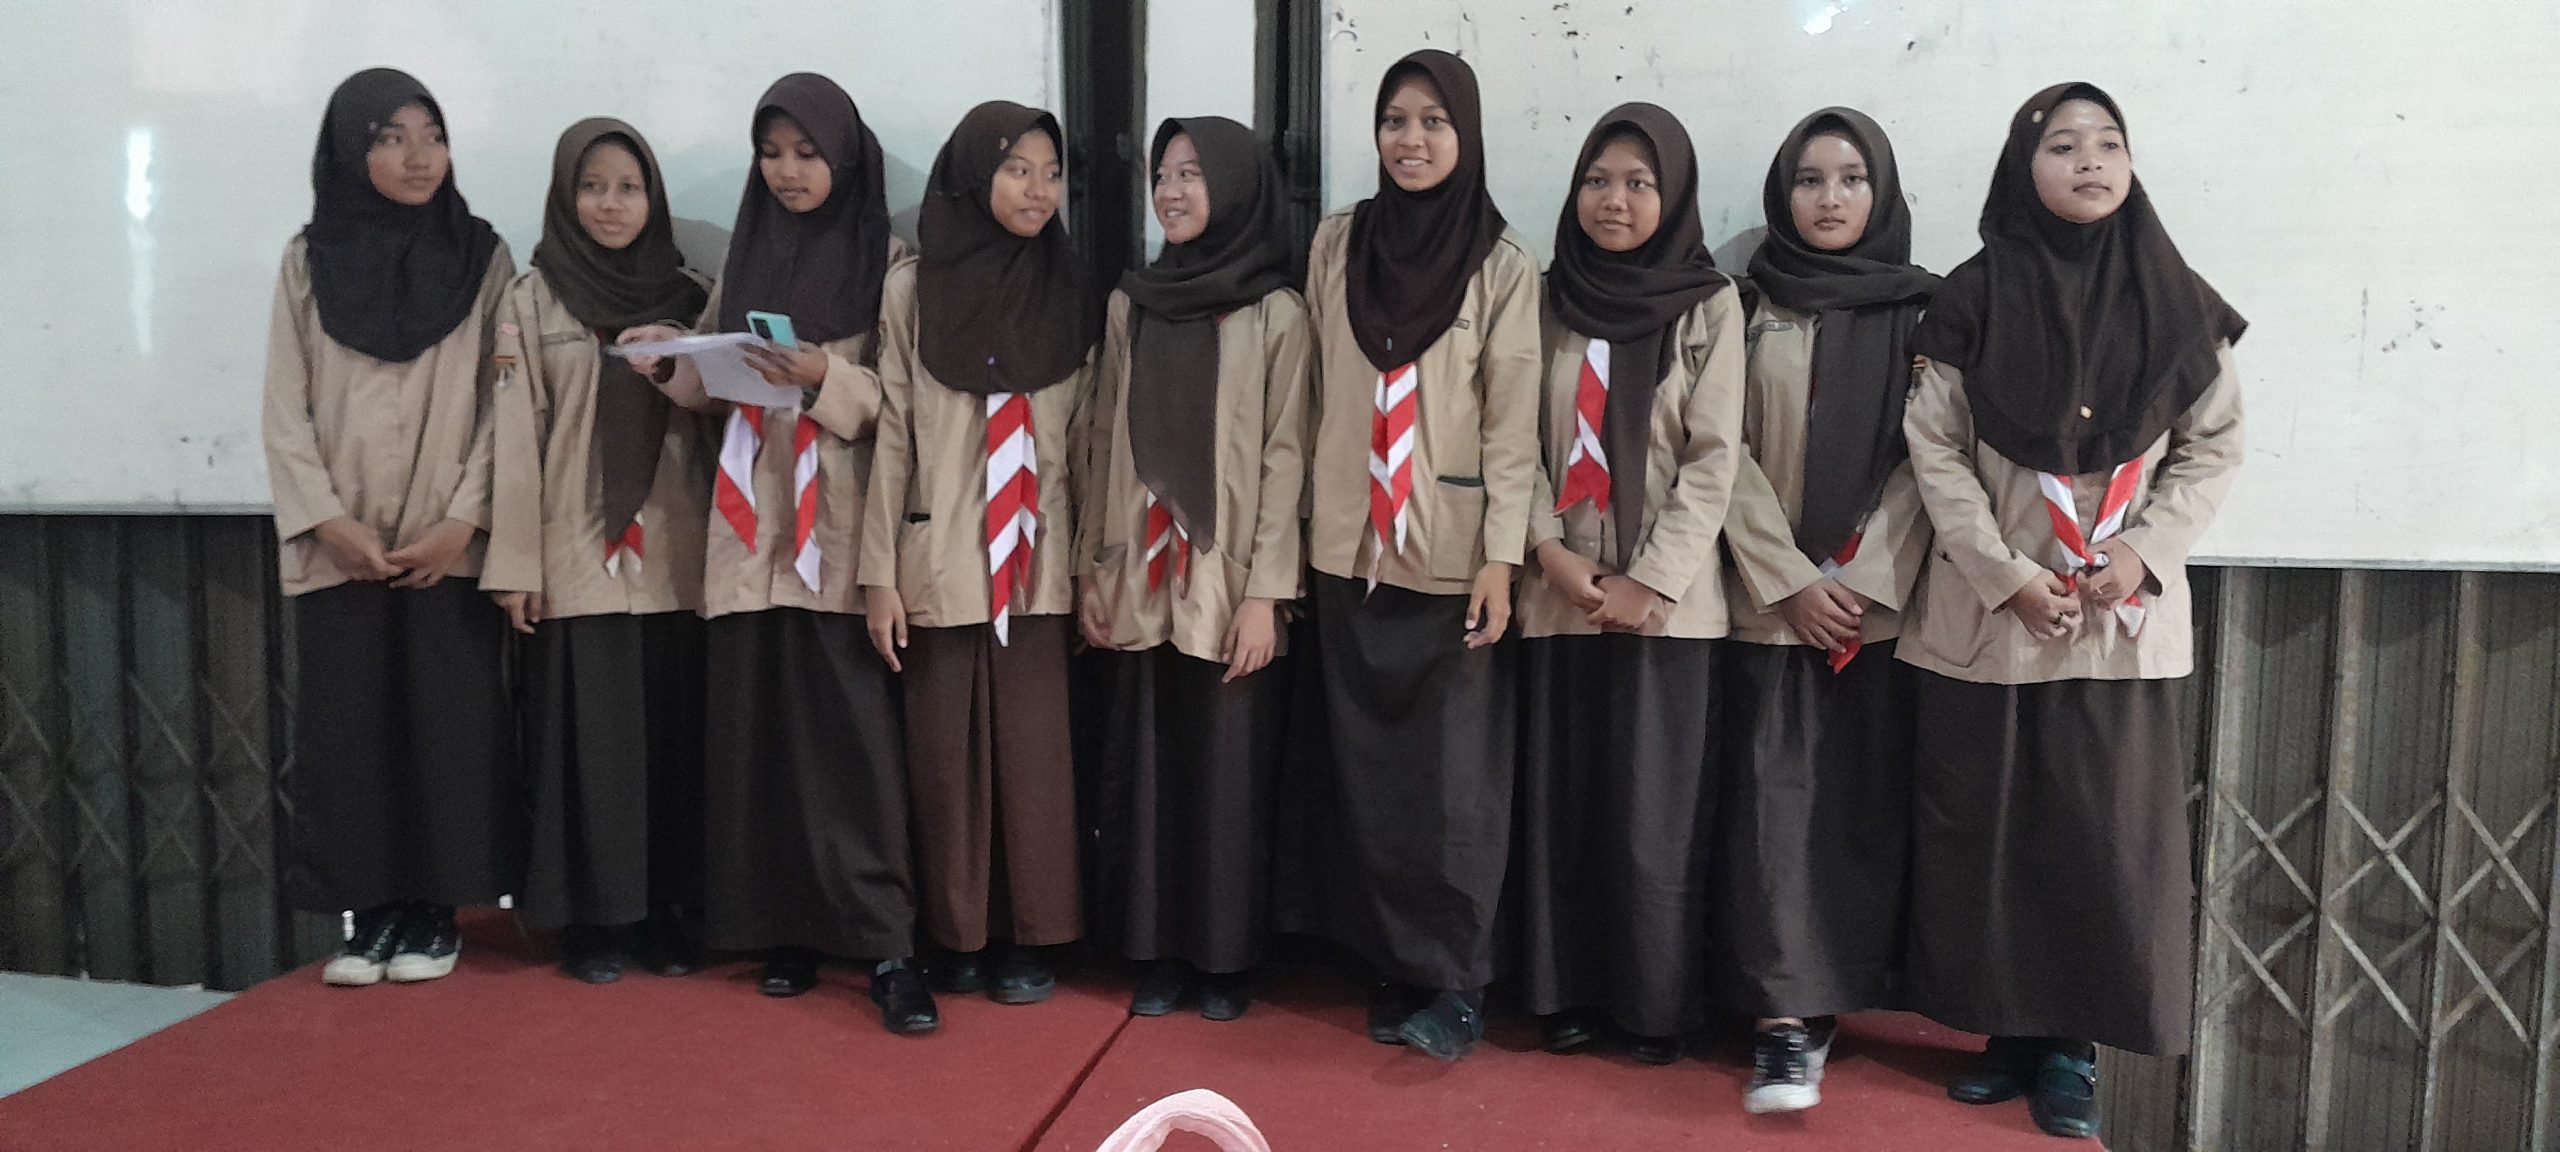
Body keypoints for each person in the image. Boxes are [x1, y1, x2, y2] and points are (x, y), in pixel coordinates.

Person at [1899, 83, 2246, 1139]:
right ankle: (2003, 1033)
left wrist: (2142, 553)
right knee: (1993, 833)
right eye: (2061, 145)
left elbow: (2213, 448)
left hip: (2117, 626)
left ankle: (2071, 1049)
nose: (2089, 161)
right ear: (2024, 168)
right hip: (1994, 617)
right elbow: (1934, 448)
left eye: (2108, 143)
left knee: (2101, 841)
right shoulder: (1970, 296)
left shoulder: (2179, 300)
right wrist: (2001, 572)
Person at [619, 74, 935, 1034]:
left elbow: (898, 407)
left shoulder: (888, 264)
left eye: (807, 153)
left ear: (845, 158)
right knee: (757, 748)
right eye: (772, 154)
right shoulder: (746, 260)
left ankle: (885, 945)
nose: (788, 172)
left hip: (834, 539)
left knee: (852, 752)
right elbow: (718, 389)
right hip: (748, 536)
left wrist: (822, 372)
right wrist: (671, 358)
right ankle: (783, 932)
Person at [1295, 49, 1540, 1061]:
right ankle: (1394, 962)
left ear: (1465, 135)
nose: (1411, 139)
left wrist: (1501, 557)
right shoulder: (1337, 242)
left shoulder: (1501, 262)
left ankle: (1459, 980)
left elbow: (1513, 423)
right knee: (1369, 773)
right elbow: (1312, 388)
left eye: (1434, 121)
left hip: (1448, 555)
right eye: (1395, 119)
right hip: (1349, 546)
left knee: (1452, 784)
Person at [261, 67, 514, 987]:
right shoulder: (308, 259)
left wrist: (465, 520)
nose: (418, 157)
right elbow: (283, 405)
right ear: (348, 149)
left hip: (445, 548)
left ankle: (436, 914)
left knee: (449, 731)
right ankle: (367, 917)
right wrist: (325, 518)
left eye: (432, 136)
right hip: (342, 547)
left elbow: (504, 404)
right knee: (349, 735)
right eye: (391, 137)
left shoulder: (483, 258)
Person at [1710, 107, 1938, 1113]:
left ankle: (1841, 993)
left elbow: (1932, 460)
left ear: (1880, 192)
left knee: (1852, 815)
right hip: (1768, 606)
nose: (1830, 198)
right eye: (1809, 179)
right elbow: (1718, 451)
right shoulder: (1744, 303)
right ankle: (1781, 1020)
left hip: (1873, 617)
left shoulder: (1928, 310)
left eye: (1851, 178)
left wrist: (1859, 577)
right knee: (1769, 809)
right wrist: (1790, 579)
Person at [1511, 103, 1743, 1067]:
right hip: (1557, 595)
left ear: (1673, 195)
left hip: (1668, 611)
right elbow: (1513, 440)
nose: (1614, 200)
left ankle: (1649, 1004)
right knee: (1564, 809)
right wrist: (1549, 552)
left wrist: (1652, 581)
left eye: (1639, 184)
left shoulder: (1710, 305)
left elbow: (1716, 459)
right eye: (1597, 181)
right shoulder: (1544, 297)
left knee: (1653, 817)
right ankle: (1562, 993)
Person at [1075, 116, 1311, 1022]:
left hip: (1227, 583)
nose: (1171, 192)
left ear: (1237, 187)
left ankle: (1225, 959)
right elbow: (1102, 437)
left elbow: (1286, 458)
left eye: (1192, 174)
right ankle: (1156, 951)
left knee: (1224, 771)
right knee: (1147, 765)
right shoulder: (1131, 304)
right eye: (1163, 174)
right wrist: (1093, 569)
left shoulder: (1275, 312)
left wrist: (1267, 596)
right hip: (1138, 574)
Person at [863, 100, 1097, 1007]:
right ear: (971, 175)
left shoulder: (1073, 288)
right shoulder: (912, 289)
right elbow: (891, 436)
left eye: (1051, 172)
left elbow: (1089, 442)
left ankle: (1033, 935)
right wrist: (878, 574)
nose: (1038, 190)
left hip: (1038, 556)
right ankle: (957, 934)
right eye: (1016, 169)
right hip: (940, 555)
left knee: (1035, 757)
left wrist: (1090, 569)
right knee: (945, 757)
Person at [483, 118, 712, 985]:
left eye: (628, 188)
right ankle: (593, 920)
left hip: (679, 555)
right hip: (576, 554)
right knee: (588, 749)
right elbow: (515, 436)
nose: (610, 205)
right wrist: (516, 566)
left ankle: (664, 913)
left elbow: (724, 417)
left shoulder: (694, 297)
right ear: (565, 195)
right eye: (592, 186)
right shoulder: (532, 300)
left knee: (669, 744)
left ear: (653, 198)